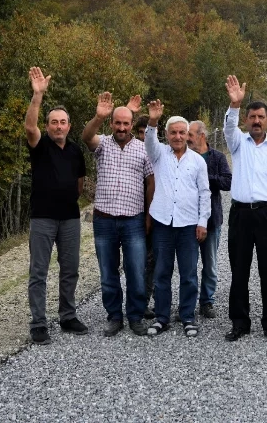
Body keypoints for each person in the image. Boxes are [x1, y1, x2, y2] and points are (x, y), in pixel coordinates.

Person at [223, 75, 267, 343]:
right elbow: (228, 128)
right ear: (246, 120)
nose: (256, 121)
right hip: (240, 213)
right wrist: (235, 105)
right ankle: (239, 322)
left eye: (261, 117)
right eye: (251, 116)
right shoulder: (238, 143)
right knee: (239, 270)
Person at [24, 66, 88, 345]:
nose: (58, 126)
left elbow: (79, 184)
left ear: (69, 126)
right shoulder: (39, 145)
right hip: (42, 218)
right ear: (48, 126)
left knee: (70, 268)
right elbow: (29, 126)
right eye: (53, 122)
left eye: (63, 122)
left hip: (70, 219)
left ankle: (67, 315)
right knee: (39, 271)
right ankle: (38, 323)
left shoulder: (75, 150)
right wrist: (37, 96)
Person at [81, 92, 154, 337]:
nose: (121, 127)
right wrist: (98, 116)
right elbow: (86, 136)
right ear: (111, 124)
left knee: (135, 270)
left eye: (126, 123)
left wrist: (148, 215)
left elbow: (151, 182)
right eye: (117, 123)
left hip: (133, 220)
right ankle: (114, 316)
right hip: (104, 220)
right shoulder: (102, 144)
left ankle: (135, 316)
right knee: (108, 272)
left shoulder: (143, 149)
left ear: (132, 125)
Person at [144, 99, 211, 338]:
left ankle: (187, 316)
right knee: (162, 272)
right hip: (163, 223)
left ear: (188, 135)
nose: (178, 136)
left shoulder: (197, 161)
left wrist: (203, 222)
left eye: (182, 132)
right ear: (167, 135)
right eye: (173, 132)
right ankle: (161, 317)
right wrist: (153, 120)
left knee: (189, 274)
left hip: (188, 225)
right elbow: (149, 141)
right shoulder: (159, 154)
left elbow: (205, 193)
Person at [187, 120, 232, 319]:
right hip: (187, 219)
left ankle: (207, 301)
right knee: (188, 265)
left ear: (202, 136)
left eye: (191, 134)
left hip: (212, 220)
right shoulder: (184, 156)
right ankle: (187, 302)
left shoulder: (218, 157)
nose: (187, 138)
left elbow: (228, 182)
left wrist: (205, 177)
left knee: (210, 264)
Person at [133, 113, 156, 319]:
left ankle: (150, 300)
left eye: (145, 133)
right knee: (137, 261)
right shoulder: (132, 152)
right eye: (140, 132)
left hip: (155, 215)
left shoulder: (158, 153)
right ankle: (137, 302)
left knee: (153, 260)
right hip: (134, 214)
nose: (142, 137)